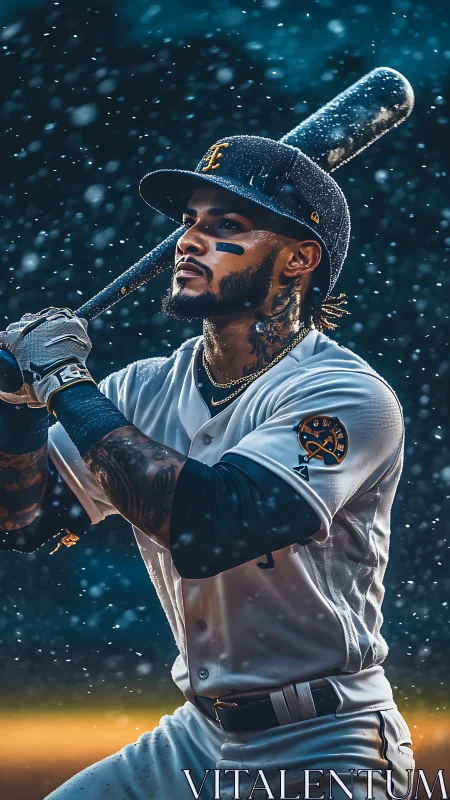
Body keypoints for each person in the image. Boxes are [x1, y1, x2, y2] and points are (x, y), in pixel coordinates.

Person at [0, 136, 415, 800]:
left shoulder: (345, 397)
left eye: (226, 226)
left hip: (326, 744)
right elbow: (21, 522)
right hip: (195, 737)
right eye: (189, 222)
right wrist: (19, 405)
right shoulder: (142, 390)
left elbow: (212, 524)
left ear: (300, 259)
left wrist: (68, 385)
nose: (189, 241)